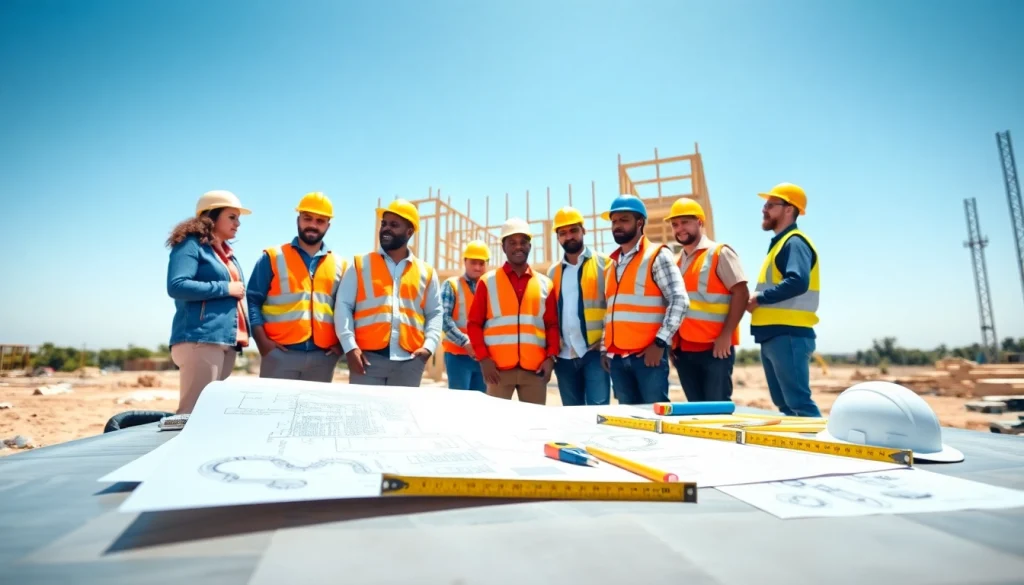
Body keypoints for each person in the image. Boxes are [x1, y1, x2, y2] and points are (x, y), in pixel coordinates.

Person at [334, 199, 443, 387]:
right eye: (384, 223)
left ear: (410, 232)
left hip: (410, 363)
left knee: (401, 417)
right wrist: (350, 347)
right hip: (366, 361)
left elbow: (435, 313)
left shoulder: (427, 272)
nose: (386, 229)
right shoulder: (360, 265)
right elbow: (343, 305)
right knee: (363, 416)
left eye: (394, 225)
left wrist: (429, 347)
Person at [165, 190, 252, 414]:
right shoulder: (190, 245)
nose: (238, 223)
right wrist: (225, 287)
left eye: (238, 218)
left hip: (225, 341)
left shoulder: (226, 253)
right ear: (211, 216)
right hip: (201, 339)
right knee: (192, 414)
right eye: (232, 217)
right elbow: (177, 285)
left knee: (209, 414)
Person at [245, 192, 347, 382]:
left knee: (314, 412)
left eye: (320, 220)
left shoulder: (341, 264)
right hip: (279, 354)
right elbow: (253, 300)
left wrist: (340, 346)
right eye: (307, 218)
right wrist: (262, 343)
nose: (313, 225)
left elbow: (347, 309)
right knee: (273, 411)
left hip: (322, 358)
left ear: (328, 226)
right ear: (298, 219)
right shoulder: (273, 257)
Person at [601, 194, 688, 405]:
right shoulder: (611, 265)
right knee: (629, 426)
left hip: (648, 358)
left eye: (624, 220)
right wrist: (605, 347)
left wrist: (660, 343)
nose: (617, 226)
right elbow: (613, 311)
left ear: (640, 223)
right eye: (614, 221)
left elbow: (680, 300)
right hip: (618, 360)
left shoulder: (657, 255)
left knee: (655, 421)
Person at [746, 183, 822, 417]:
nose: (764, 209)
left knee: (799, 404)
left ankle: (821, 452)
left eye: (770, 205)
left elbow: (798, 281)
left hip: (789, 335)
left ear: (789, 209)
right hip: (774, 335)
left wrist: (759, 298)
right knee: (786, 406)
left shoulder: (794, 242)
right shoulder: (780, 244)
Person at [467, 217, 559, 404]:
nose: (518, 247)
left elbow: (552, 325)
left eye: (523, 242)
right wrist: (484, 359)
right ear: (503, 247)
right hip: (497, 371)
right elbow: (474, 324)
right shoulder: (487, 282)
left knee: (535, 428)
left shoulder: (545, 284)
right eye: (512, 242)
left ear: (530, 246)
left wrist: (551, 358)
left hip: (535, 370)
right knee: (497, 428)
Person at [665, 198, 748, 402]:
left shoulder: (720, 253)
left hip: (715, 351)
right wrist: (672, 344)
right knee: (697, 414)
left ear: (700, 222)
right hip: (684, 353)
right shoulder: (676, 262)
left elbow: (742, 293)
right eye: (675, 224)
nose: (680, 229)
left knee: (717, 413)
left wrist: (726, 334)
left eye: (685, 222)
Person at [546, 206, 612, 406]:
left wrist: (604, 344)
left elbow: (613, 307)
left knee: (597, 412)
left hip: (593, 353)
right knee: (572, 415)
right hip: (564, 355)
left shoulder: (605, 265)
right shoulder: (553, 272)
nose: (569, 237)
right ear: (557, 238)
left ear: (584, 231)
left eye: (573, 230)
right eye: (563, 233)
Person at [440, 240, 490, 391]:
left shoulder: (491, 288)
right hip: (458, 356)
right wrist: (465, 342)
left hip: (483, 357)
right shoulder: (452, 285)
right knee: (459, 406)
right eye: (473, 262)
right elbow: (444, 318)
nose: (477, 267)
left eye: (481, 263)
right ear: (464, 261)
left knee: (481, 405)